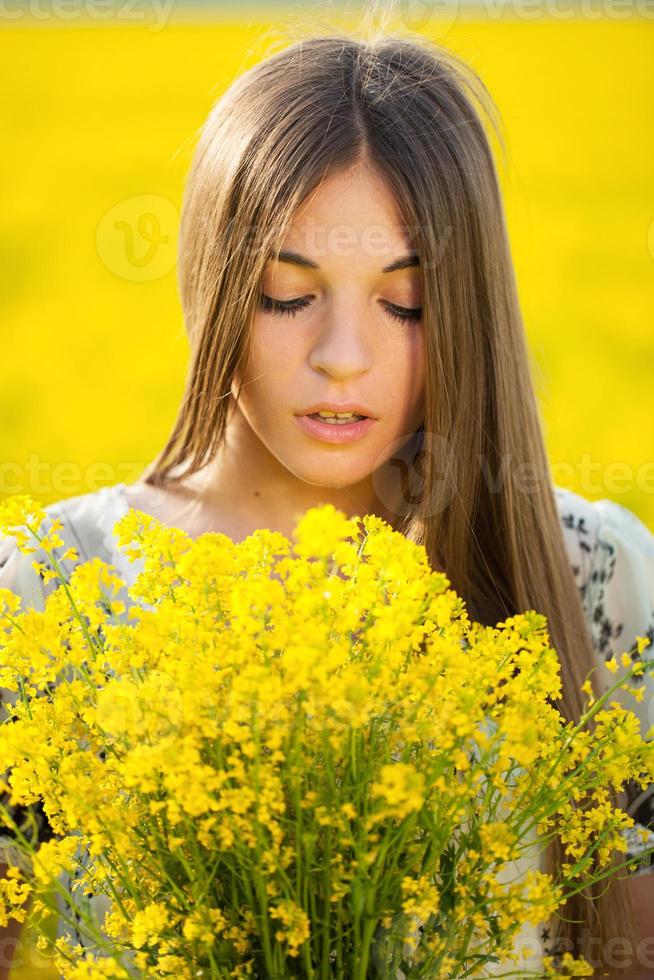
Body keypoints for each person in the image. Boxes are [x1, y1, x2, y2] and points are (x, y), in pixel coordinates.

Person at [2, 26, 654, 978]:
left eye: (408, 304)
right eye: (284, 294)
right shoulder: (53, 597)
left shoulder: (598, 577)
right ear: (215, 284)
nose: (342, 355)